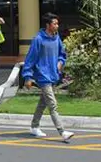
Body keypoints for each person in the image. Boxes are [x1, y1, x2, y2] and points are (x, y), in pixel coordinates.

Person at [22, 13, 74, 141]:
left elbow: (62, 54)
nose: (57, 26)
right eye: (54, 23)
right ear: (48, 25)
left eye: (57, 23)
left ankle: (34, 126)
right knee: (52, 104)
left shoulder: (57, 38)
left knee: (43, 103)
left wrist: (60, 62)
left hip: (53, 75)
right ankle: (62, 131)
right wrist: (27, 77)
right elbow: (30, 59)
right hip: (42, 76)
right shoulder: (38, 39)